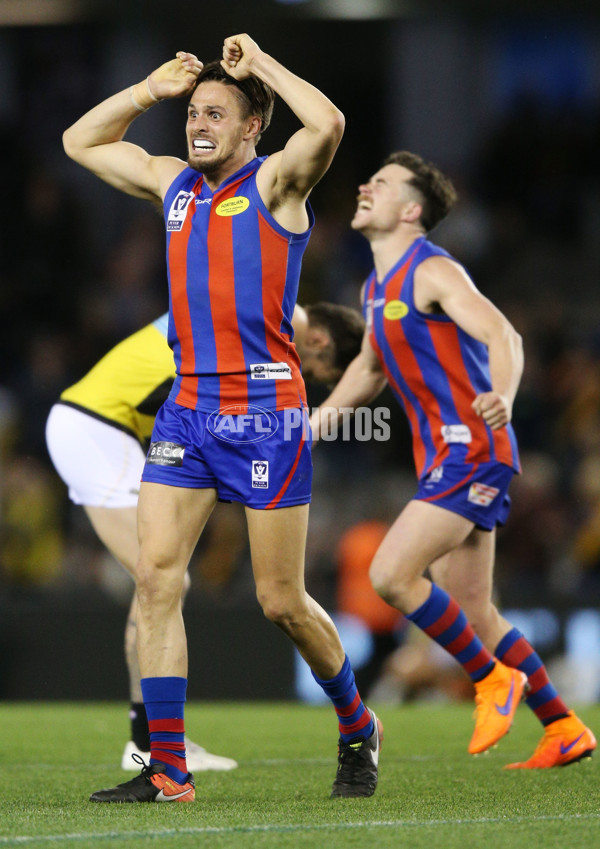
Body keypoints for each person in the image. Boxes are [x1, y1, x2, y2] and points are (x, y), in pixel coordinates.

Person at [63, 35, 380, 802]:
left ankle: (357, 724)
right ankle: (168, 769)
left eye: (216, 113)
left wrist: (260, 66)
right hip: (187, 415)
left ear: (250, 129)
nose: (198, 123)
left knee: (282, 602)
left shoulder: (276, 186)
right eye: (193, 112)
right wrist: (147, 90)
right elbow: (79, 140)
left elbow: (329, 125)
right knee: (155, 579)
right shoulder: (173, 184)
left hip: (266, 417)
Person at [310, 150, 596, 769]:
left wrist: (503, 395)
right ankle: (562, 726)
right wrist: (315, 423)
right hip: (447, 456)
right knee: (474, 611)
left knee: (390, 574)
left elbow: (504, 336)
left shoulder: (432, 269)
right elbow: (368, 368)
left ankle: (492, 680)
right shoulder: (375, 286)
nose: (365, 186)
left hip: (470, 448)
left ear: (411, 211)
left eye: (381, 184)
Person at [45, 302, 364, 770]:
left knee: (159, 579)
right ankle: (147, 745)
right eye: (318, 372)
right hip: (96, 428)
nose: (309, 377)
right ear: (319, 341)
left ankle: (149, 742)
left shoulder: (243, 313)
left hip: (103, 426)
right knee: (160, 578)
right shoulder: (285, 317)